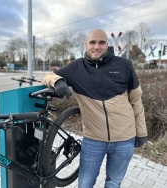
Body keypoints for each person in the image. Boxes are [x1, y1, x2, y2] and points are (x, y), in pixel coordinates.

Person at [42, 28, 148, 188]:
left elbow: (136, 101)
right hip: (94, 140)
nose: (96, 46)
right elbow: (47, 76)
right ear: (86, 45)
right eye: (92, 42)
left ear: (107, 45)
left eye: (101, 42)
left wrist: (141, 133)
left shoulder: (124, 65)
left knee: (113, 183)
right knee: (85, 184)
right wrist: (57, 81)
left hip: (124, 139)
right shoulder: (77, 68)